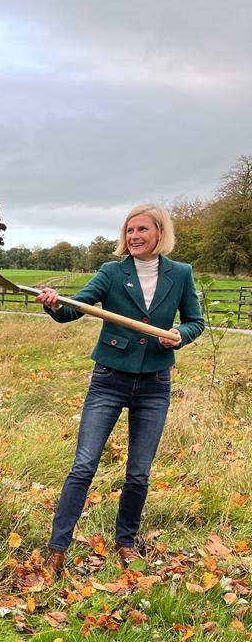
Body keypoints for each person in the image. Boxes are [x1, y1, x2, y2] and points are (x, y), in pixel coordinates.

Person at [35, 204, 204, 576]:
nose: (135, 237)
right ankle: (56, 548)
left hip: (155, 386)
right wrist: (53, 303)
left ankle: (126, 542)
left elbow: (195, 321)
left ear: (160, 233)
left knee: (139, 473)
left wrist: (180, 336)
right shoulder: (112, 272)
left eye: (142, 229)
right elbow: (72, 310)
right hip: (110, 380)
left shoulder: (180, 274)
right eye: (129, 231)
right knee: (83, 466)